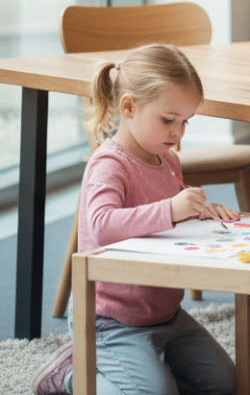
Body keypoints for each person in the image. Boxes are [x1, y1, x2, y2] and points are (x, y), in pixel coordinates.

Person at [32, 43, 239, 395]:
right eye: (168, 120)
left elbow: (160, 224)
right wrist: (172, 209)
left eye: (185, 121)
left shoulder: (168, 160)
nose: (178, 132)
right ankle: (70, 374)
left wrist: (199, 213)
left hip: (165, 313)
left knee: (224, 383)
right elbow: (102, 225)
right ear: (128, 106)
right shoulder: (109, 164)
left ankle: (142, 367)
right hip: (111, 320)